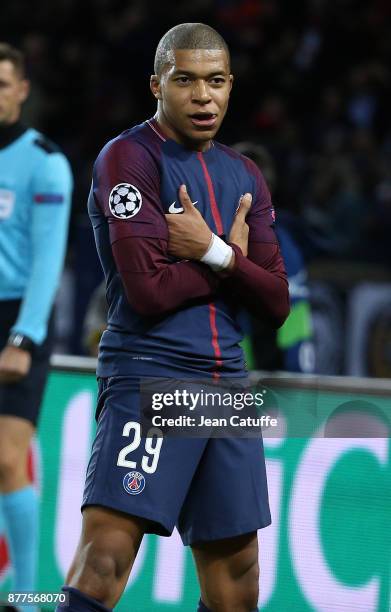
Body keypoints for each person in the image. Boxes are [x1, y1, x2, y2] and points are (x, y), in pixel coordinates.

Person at [57, 23, 289, 612]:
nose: (202, 96)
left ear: (231, 87)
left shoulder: (245, 173)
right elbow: (149, 293)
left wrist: (212, 252)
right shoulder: (128, 159)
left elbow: (276, 304)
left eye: (215, 82)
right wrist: (234, 261)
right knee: (107, 557)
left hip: (227, 383)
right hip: (151, 372)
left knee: (237, 577)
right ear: (157, 83)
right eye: (185, 81)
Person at [0, 43, 72, 611]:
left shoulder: (45, 162)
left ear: (22, 90)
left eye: (3, 84)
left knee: (6, 457)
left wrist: (23, 337)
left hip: (17, 315)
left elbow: (49, 262)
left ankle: (27, 596)